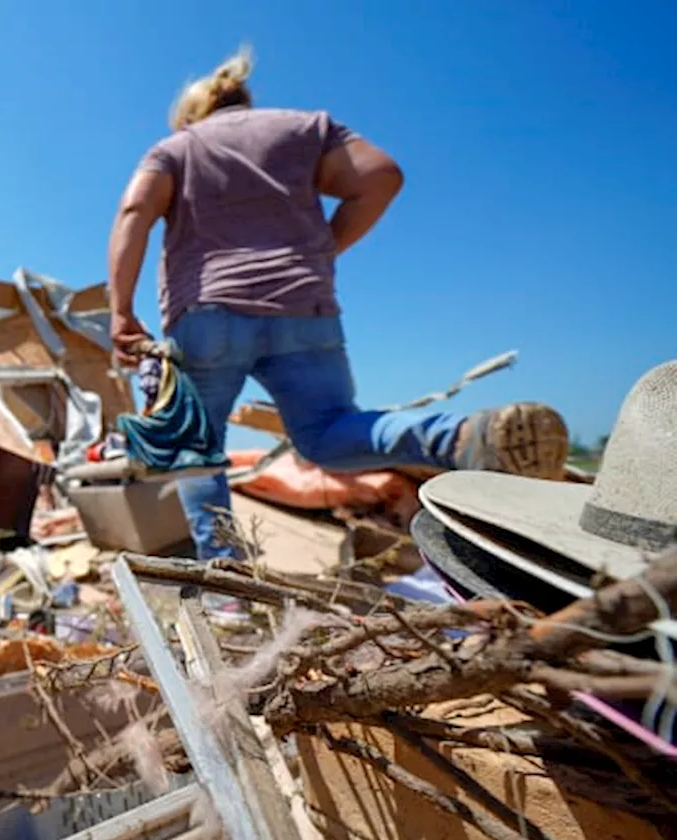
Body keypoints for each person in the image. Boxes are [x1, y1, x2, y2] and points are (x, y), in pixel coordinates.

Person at [107, 48, 569, 562]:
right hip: (305, 308)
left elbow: (134, 210)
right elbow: (382, 175)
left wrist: (121, 310)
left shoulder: (177, 147)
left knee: (197, 453)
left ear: (191, 115)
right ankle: (462, 436)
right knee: (329, 433)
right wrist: (324, 248)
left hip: (208, 312)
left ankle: (229, 584)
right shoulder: (305, 129)